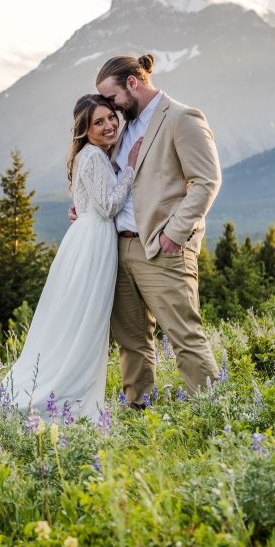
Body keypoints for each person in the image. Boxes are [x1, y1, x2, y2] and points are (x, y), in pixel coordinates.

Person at [1, 94, 141, 419]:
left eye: (110, 118)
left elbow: (91, 201)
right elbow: (107, 207)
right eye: (98, 122)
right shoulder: (92, 157)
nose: (108, 126)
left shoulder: (92, 155)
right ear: (85, 130)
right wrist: (132, 167)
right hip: (93, 243)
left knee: (81, 320)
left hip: (89, 239)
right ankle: (67, 400)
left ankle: (72, 398)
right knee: (84, 322)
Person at [93, 53, 221, 407]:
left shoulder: (182, 118)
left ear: (133, 84)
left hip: (162, 250)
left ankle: (215, 414)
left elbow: (206, 182)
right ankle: (138, 416)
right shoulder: (122, 126)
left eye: (112, 97)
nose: (110, 106)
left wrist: (173, 236)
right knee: (131, 342)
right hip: (118, 250)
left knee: (184, 336)